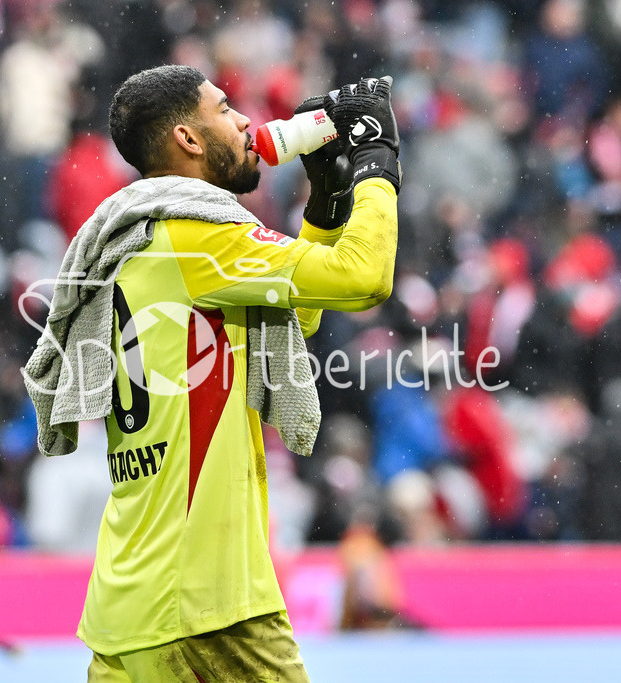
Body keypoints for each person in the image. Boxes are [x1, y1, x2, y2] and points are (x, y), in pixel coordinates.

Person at [23, 64, 400, 682]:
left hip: (129, 605)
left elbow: (285, 327)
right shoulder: (198, 238)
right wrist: (377, 168)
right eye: (225, 109)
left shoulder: (144, 240)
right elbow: (366, 279)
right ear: (189, 140)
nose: (246, 121)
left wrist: (328, 209)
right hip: (209, 600)